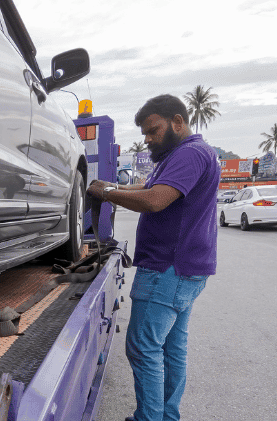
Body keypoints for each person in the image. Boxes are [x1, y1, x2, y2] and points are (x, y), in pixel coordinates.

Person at [87, 94, 220, 421]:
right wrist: (112, 186)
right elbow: (147, 187)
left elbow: (155, 199)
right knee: (171, 350)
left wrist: (106, 192)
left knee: (143, 347)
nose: (147, 139)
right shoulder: (189, 153)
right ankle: (166, 416)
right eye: (144, 133)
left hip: (168, 269)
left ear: (178, 122)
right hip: (184, 270)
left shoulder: (189, 154)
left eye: (153, 130)